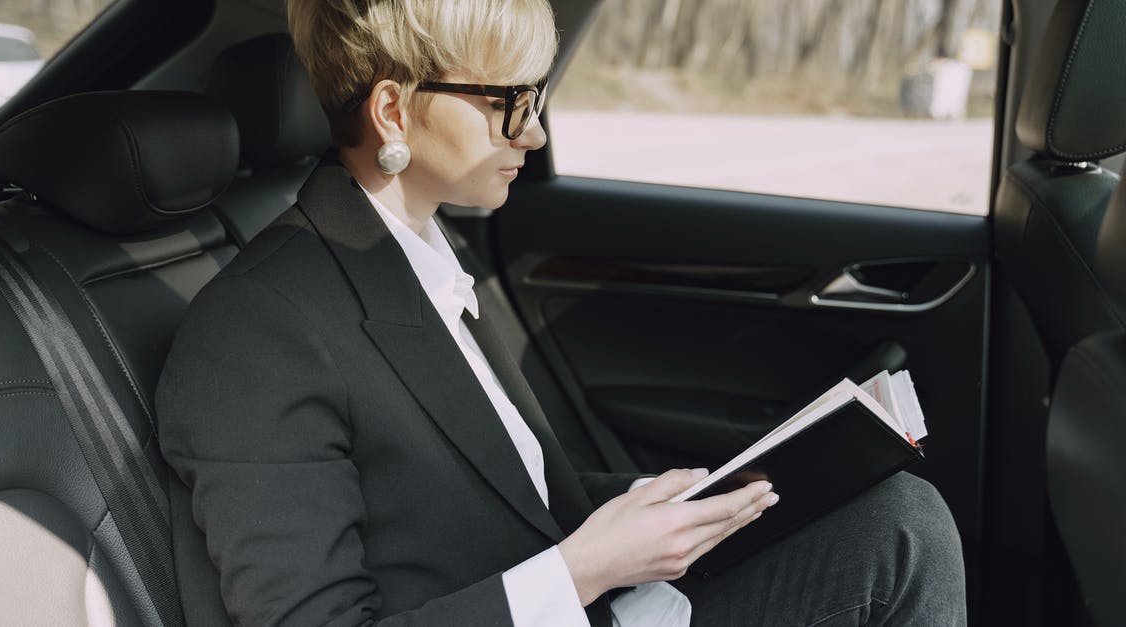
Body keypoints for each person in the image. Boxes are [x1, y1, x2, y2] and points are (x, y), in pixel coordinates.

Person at [156, 1, 968, 625]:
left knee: (897, 518)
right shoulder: (255, 334)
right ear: (394, 112)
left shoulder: (422, 254)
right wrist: (584, 568)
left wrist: (692, 501)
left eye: (535, 96)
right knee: (907, 531)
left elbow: (516, 490)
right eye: (508, 101)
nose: (534, 131)